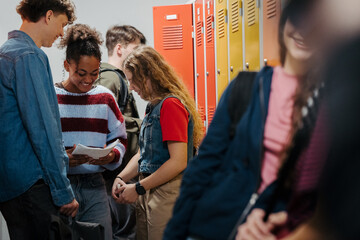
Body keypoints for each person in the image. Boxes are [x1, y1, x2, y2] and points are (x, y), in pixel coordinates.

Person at [163, 0, 318, 239]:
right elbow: (203, 166)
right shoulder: (246, 87)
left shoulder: (328, 106)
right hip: (213, 226)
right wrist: (175, 233)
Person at [0, 1, 78, 239]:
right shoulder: (29, 56)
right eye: (62, 24)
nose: (61, 33)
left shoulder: (5, 52)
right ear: (49, 15)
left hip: (11, 187)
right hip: (33, 186)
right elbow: (43, 130)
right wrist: (63, 191)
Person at [111, 46, 203, 240]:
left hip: (168, 192)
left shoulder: (171, 106)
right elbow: (143, 154)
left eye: (132, 80)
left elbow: (178, 162)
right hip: (151, 189)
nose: (131, 87)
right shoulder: (153, 107)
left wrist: (138, 188)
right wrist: (121, 178)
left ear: (147, 76)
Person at [55, 24, 127, 240]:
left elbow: (120, 138)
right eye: (81, 73)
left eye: (94, 73)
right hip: (61, 184)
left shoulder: (105, 97)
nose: (88, 80)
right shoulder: (51, 96)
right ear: (67, 65)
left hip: (95, 185)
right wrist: (62, 159)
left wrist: (112, 155)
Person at [94, 25, 146, 240]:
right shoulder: (111, 79)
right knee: (126, 232)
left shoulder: (115, 78)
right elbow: (103, 121)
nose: (138, 54)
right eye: (134, 49)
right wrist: (144, 123)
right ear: (119, 49)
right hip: (116, 171)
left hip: (117, 170)